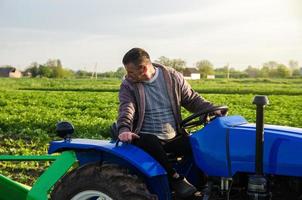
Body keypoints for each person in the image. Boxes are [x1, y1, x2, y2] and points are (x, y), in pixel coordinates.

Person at [117, 47, 226, 198]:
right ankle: (175, 179)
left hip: (173, 136)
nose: (128, 75)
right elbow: (126, 108)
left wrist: (213, 109)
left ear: (142, 68)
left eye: (130, 72)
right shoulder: (128, 85)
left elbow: (192, 99)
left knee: (199, 144)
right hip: (145, 137)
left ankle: (209, 183)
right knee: (150, 140)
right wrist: (124, 129)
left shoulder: (172, 76)